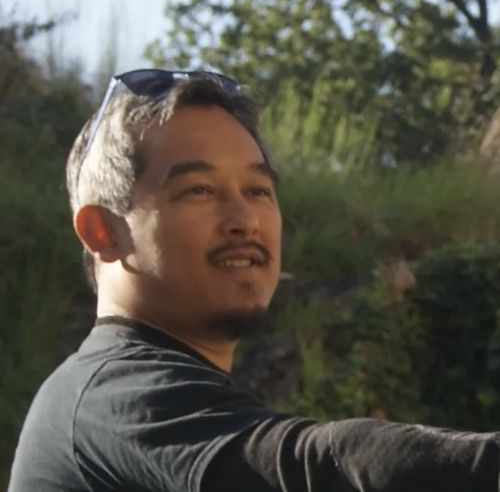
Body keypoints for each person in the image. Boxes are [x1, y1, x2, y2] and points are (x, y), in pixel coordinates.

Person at [8, 69, 500, 492]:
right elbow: (315, 466)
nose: (244, 219)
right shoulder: (109, 396)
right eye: (198, 190)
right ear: (102, 231)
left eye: (258, 190)